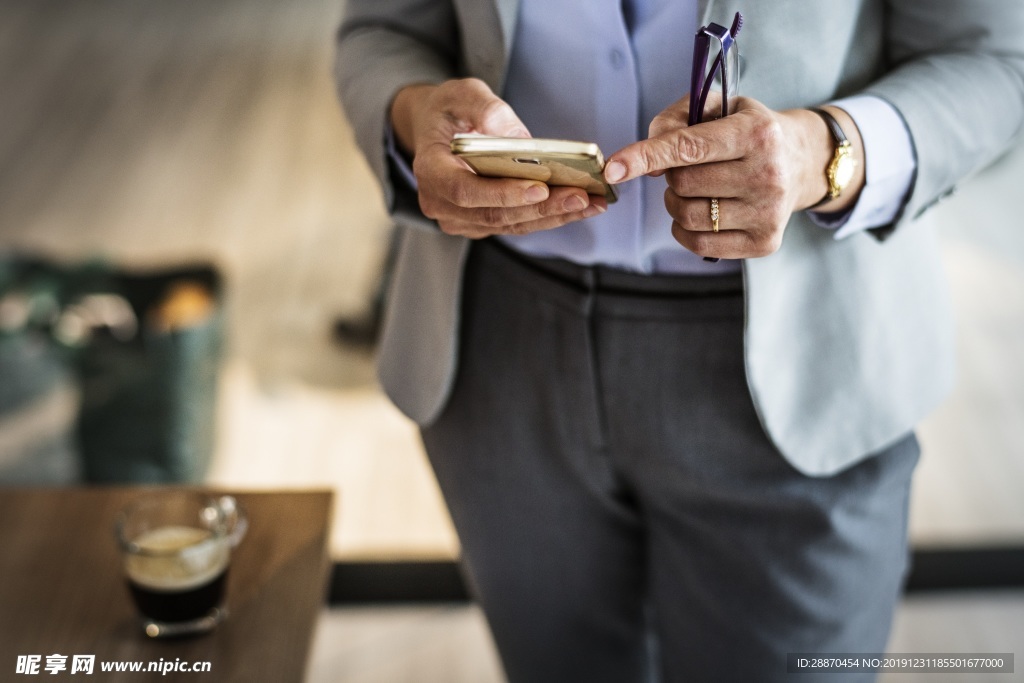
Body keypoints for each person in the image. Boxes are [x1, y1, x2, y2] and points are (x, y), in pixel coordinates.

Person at [335, 2, 1024, 681]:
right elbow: (380, 32)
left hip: (802, 365)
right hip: (500, 353)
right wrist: (415, 114)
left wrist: (821, 153)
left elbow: (997, 63)